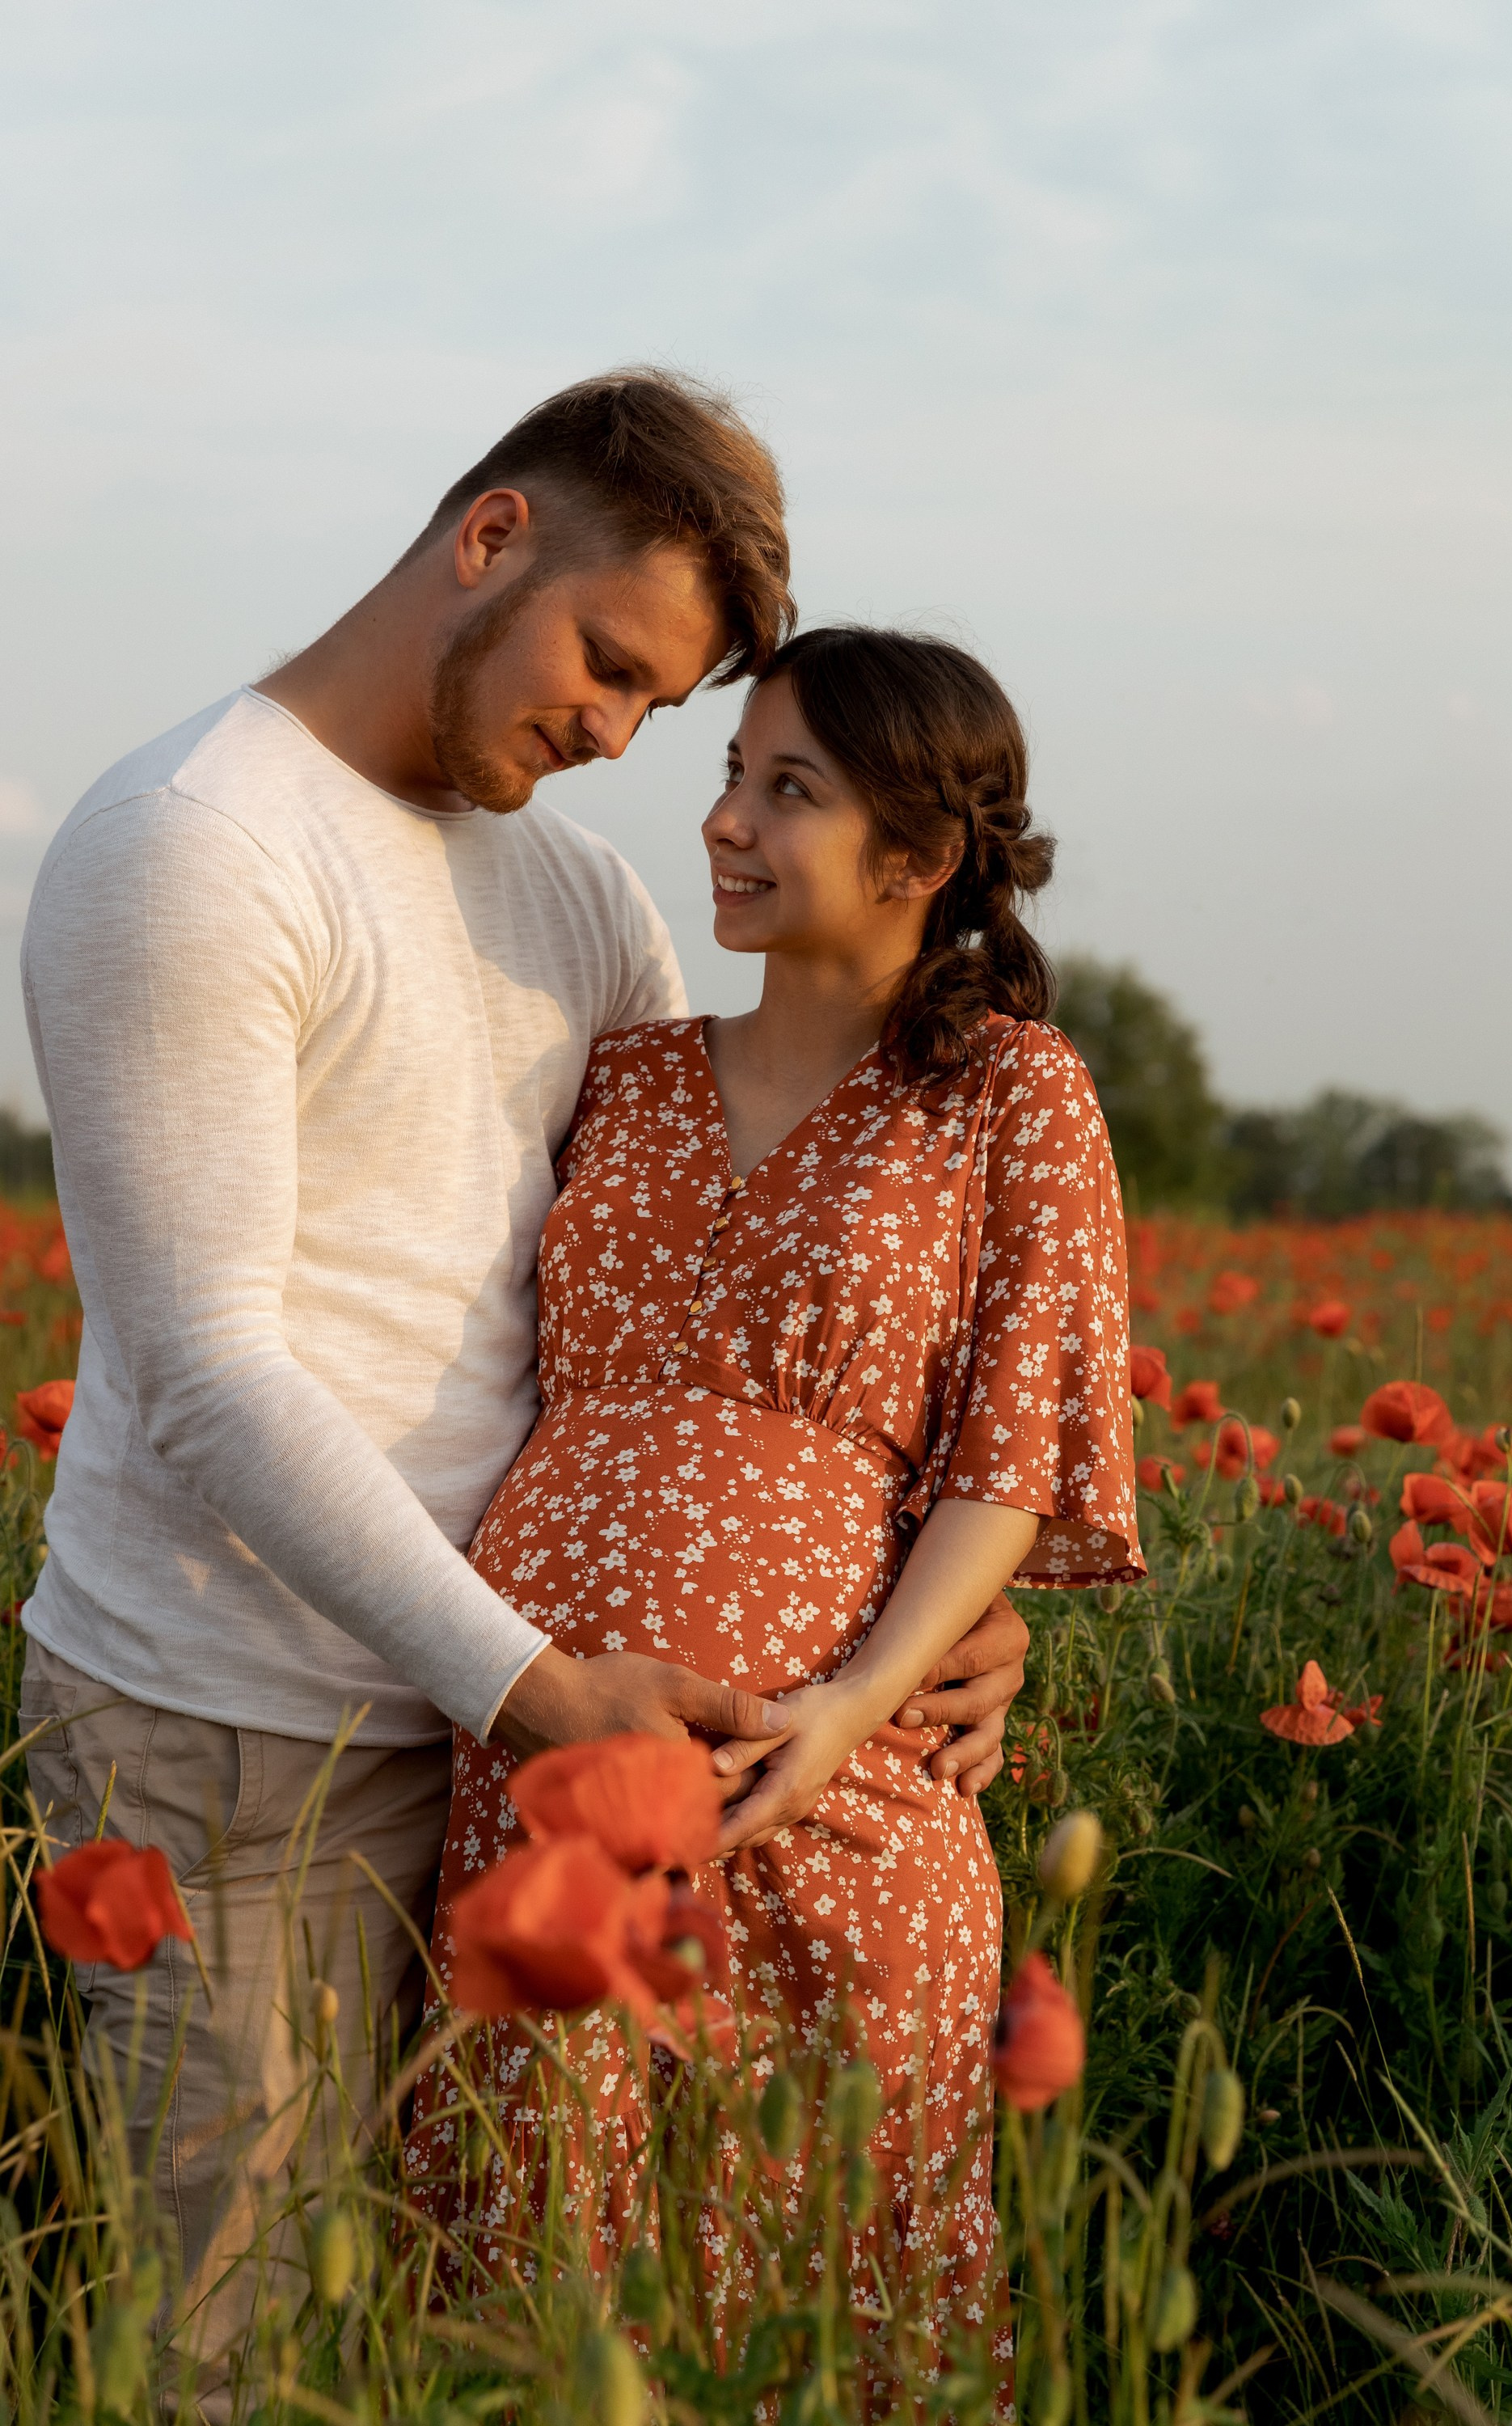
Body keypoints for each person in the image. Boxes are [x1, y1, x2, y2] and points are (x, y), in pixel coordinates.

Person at [18, 374, 1028, 2388]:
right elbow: (211, 1375)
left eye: (663, 715)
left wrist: (939, 1617)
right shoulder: (192, 848)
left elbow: (713, 1280)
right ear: (489, 539)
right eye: (611, 666)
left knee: (479, 2345)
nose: (616, 737)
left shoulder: (569, 891)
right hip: (246, 1744)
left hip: (516, 1772)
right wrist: (546, 1690)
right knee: (237, 2347)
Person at [407, 626, 1142, 2399]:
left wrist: (849, 1711)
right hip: (550, 1779)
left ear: (920, 855)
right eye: (729, 777)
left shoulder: (1009, 1094)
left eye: (784, 789)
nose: (726, 822)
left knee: (824, 2301)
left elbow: (1001, 1456)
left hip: (825, 1787)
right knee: (552, 2302)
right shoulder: (626, 1072)